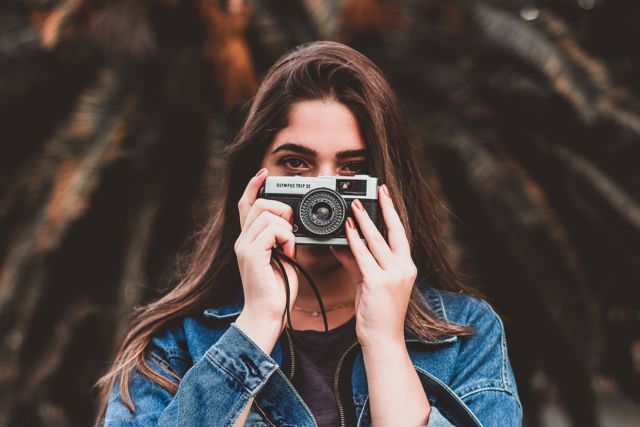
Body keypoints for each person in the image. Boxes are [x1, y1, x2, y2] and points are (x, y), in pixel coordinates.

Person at [94, 41, 522, 426]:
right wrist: (256, 324)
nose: (323, 195)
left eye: (352, 169)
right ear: (253, 179)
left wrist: (386, 343)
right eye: (296, 164)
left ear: (387, 185)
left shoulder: (466, 335)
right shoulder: (173, 344)